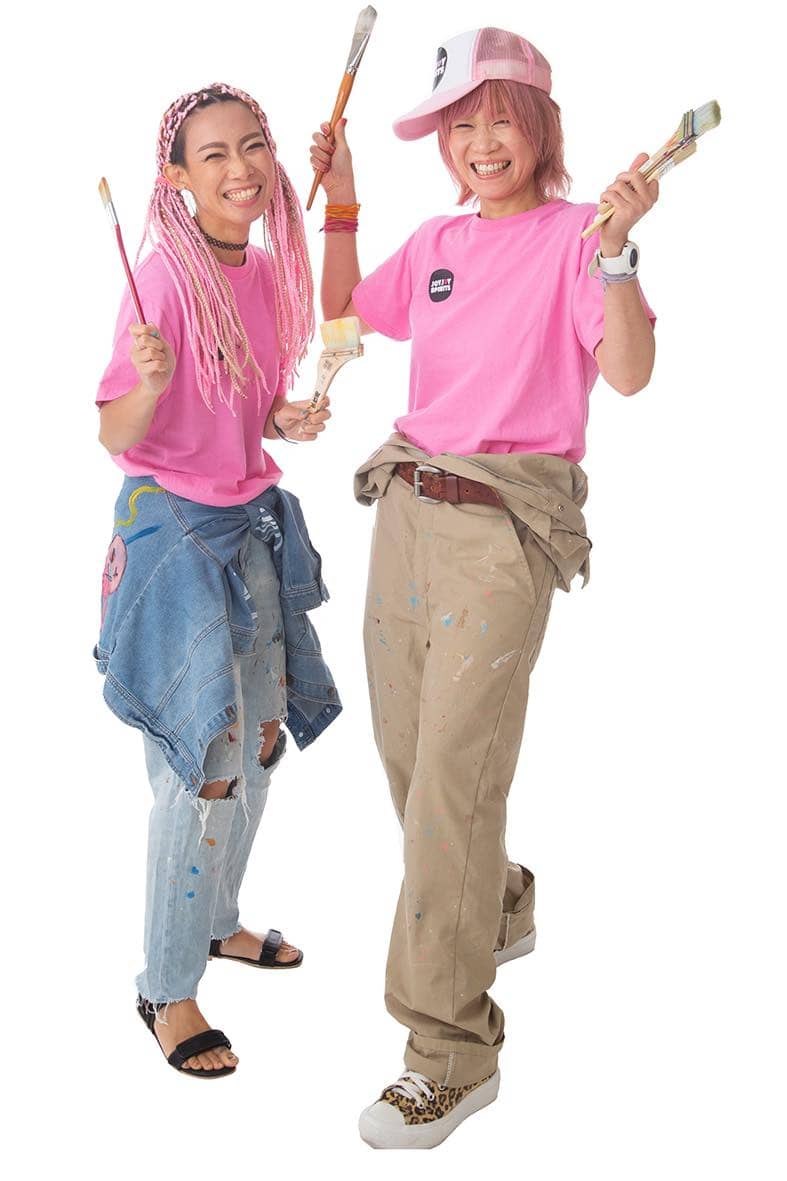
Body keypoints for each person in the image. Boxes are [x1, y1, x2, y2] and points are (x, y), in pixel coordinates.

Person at [310, 27, 659, 1145]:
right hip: (406, 509)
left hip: (505, 527)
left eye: (499, 117)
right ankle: (495, 899)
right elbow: (344, 316)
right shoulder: (438, 242)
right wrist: (344, 199)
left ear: (540, 127)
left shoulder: (577, 238)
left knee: (448, 785)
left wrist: (617, 252)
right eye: (459, 125)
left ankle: (449, 1053)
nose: (480, 141)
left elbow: (628, 373)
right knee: (415, 769)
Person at [96, 83, 338, 1078]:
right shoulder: (161, 278)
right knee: (202, 760)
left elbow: (246, 401)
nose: (241, 169)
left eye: (253, 146)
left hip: (247, 524)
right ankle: (166, 985)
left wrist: (281, 420)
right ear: (177, 179)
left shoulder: (266, 269)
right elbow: (115, 430)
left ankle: (214, 919)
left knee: (260, 739)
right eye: (213, 155)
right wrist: (148, 385)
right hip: (173, 535)